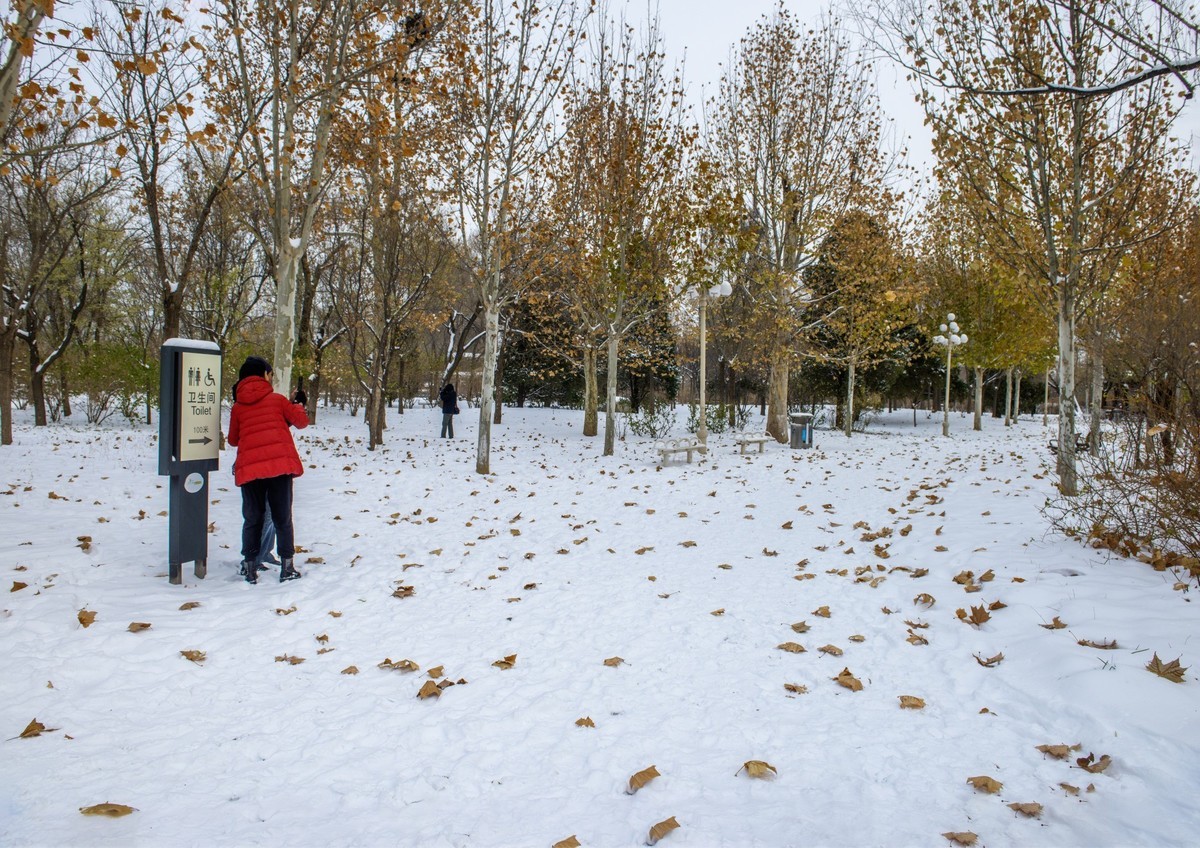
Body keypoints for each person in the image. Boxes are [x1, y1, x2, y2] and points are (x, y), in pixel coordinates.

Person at [227, 356, 308, 584]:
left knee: (252, 518)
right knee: (283, 518)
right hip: (279, 467)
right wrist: (298, 404)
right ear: (263, 374)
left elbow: (234, 440)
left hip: (250, 470)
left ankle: (250, 568)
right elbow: (300, 422)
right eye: (270, 374)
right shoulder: (277, 400)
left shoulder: (238, 407)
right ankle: (287, 567)